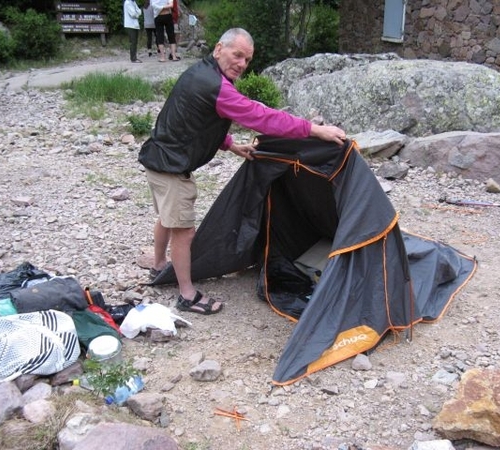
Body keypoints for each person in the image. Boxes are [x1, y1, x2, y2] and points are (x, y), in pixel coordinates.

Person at [138, 28, 347, 316]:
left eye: (247, 59)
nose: (242, 63)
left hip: (159, 158)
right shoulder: (217, 87)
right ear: (218, 49)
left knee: (167, 216)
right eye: (237, 55)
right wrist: (314, 130)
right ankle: (186, 294)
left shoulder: (202, 74)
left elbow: (193, 121)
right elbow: (263, 118)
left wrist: (230, 145)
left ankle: (159, 264)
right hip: (171, 168)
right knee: (183, 230)